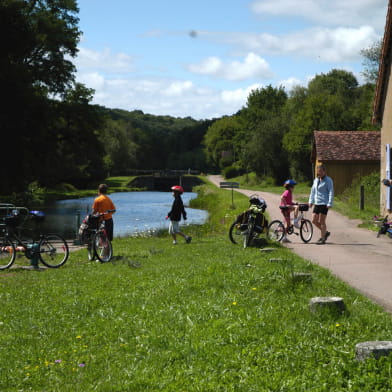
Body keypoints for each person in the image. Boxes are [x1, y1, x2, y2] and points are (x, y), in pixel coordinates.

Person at [308, 164, 334, 245]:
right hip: (317, 203)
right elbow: (313, 191)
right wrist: (310, 201)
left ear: (324, 171)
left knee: (322, 221)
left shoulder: (328, 180)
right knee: (314, 220)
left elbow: (331, 192)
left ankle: (322, 238)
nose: (319, 173)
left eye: (321, 171)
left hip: (324, 203)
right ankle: (325, 232)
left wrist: (329, 203)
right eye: (318, 171)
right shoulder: (316, 180)